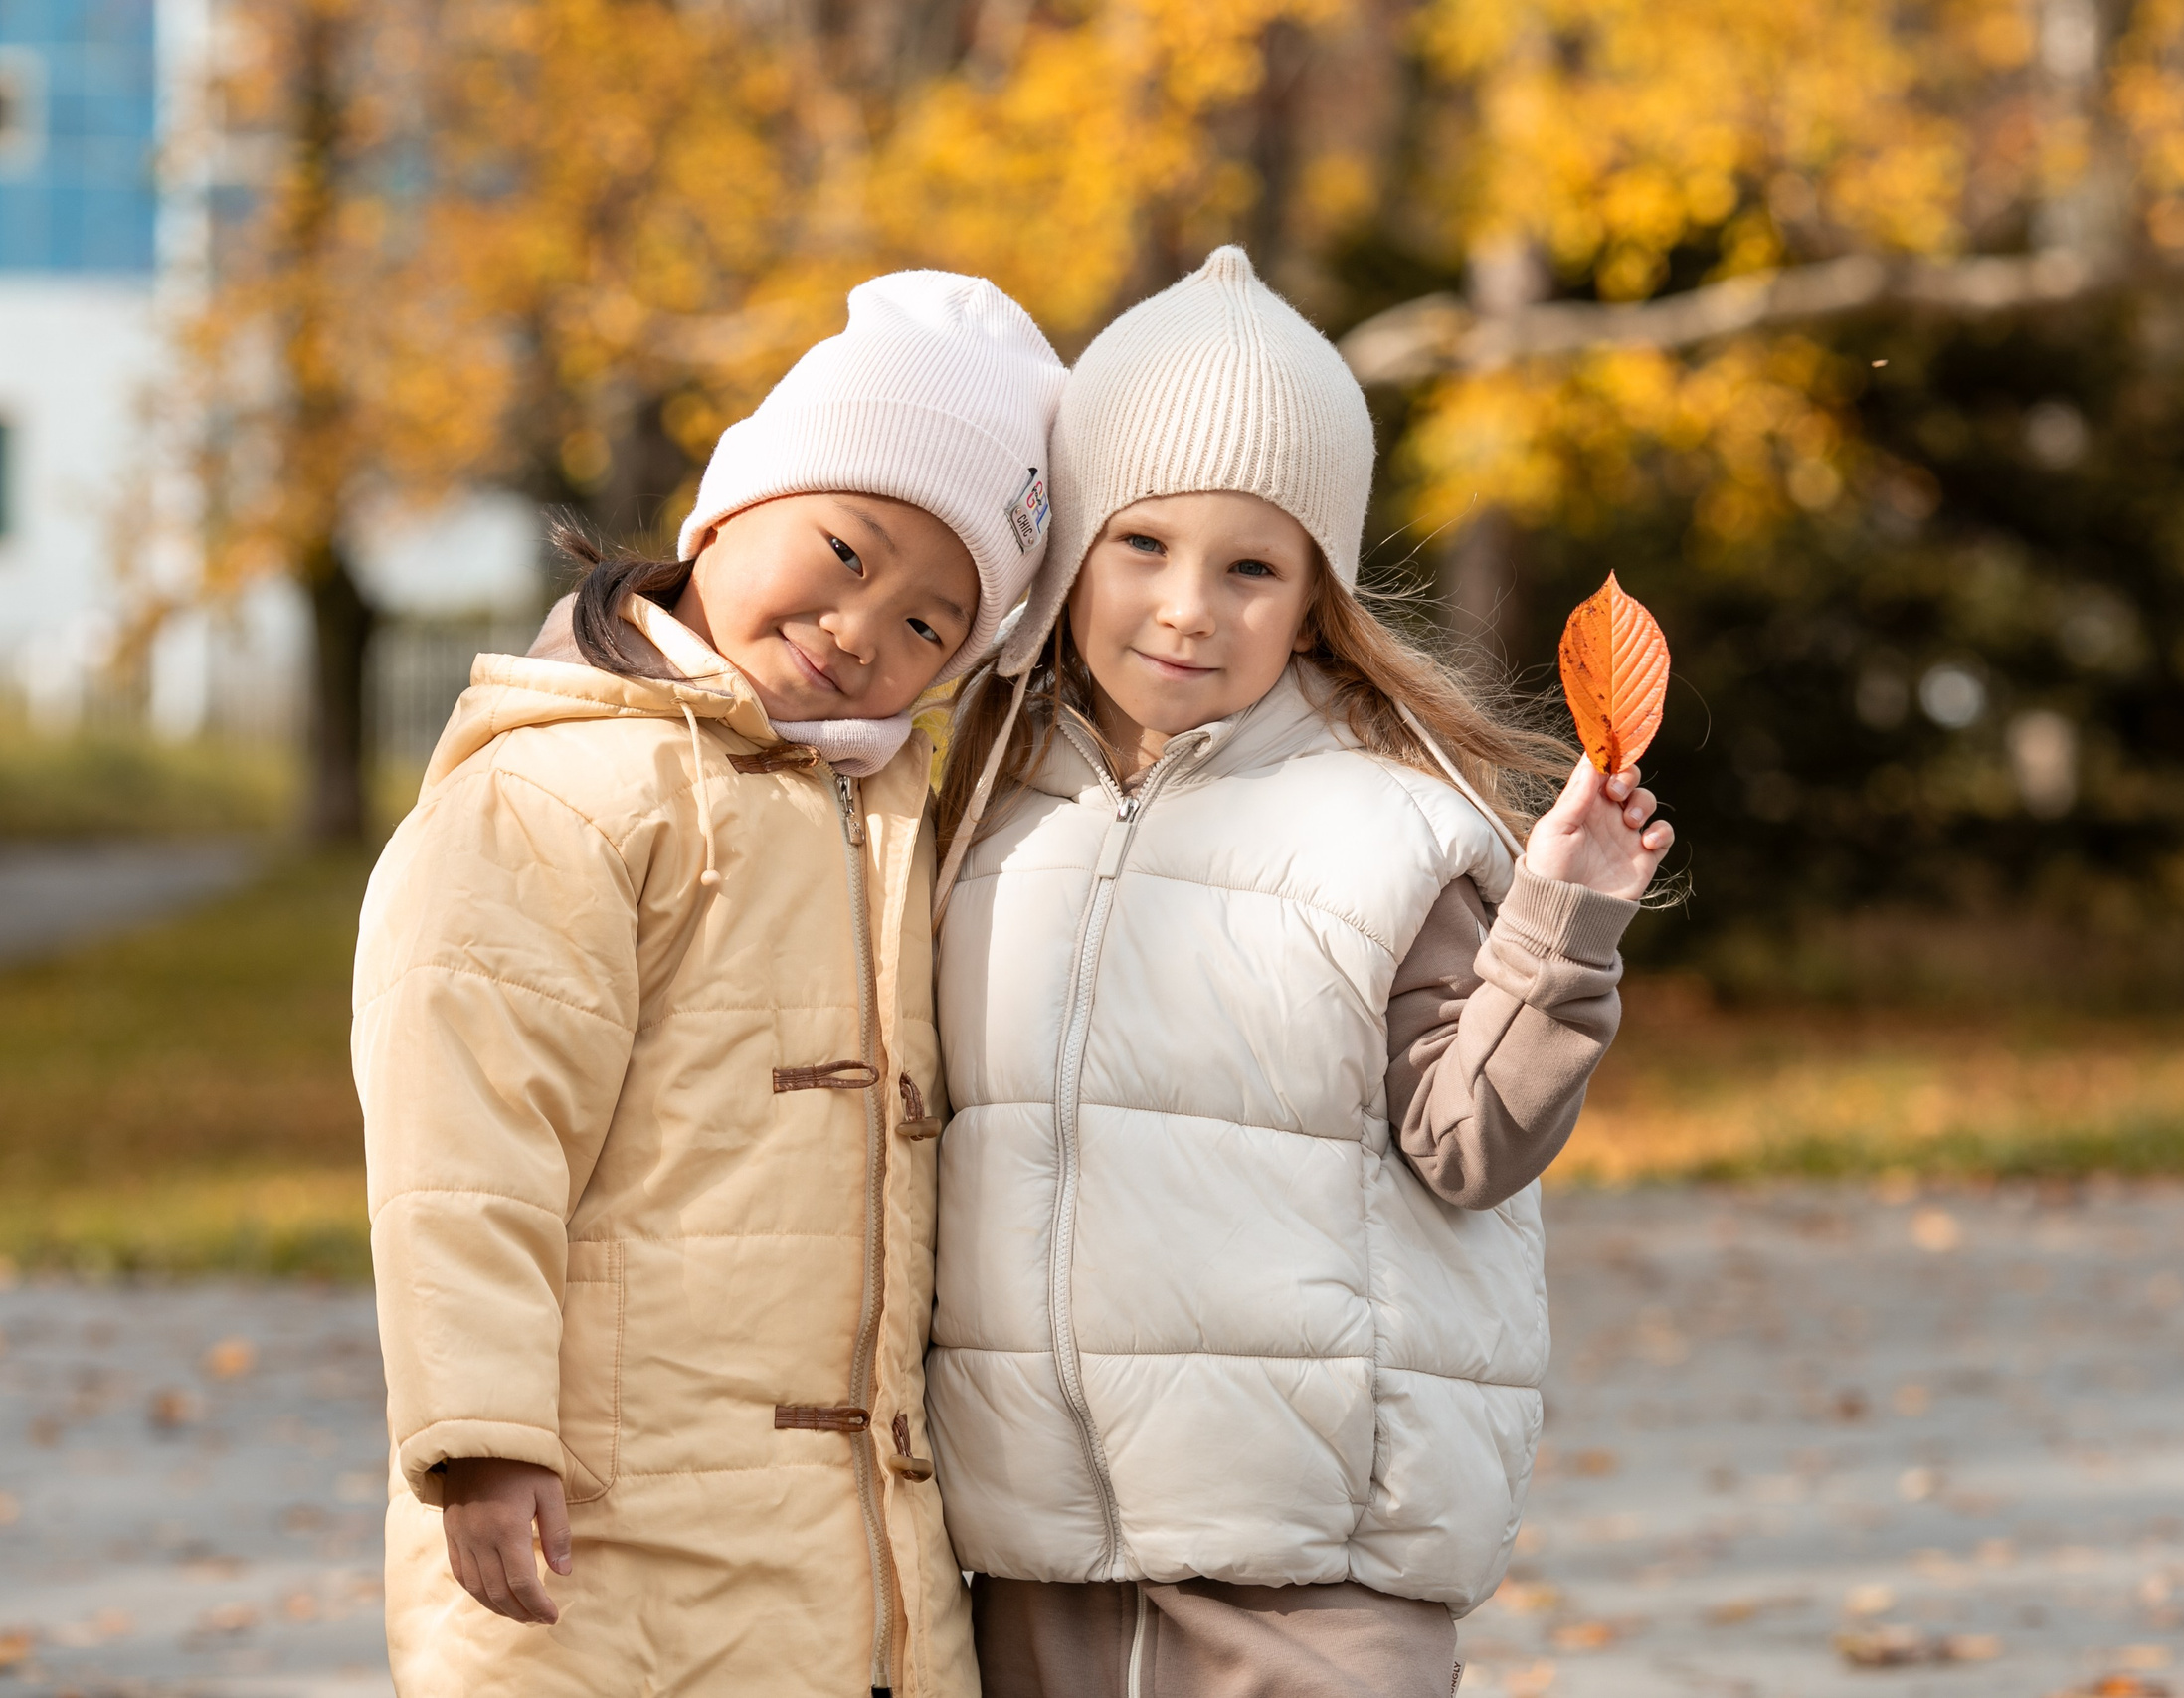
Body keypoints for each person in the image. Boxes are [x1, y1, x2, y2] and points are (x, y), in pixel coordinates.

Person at [925, 246, 1672, 1697]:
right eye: (1142, 545)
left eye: (1251, 566)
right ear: (1070, 555)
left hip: (1311, 1575)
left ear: (1317, 593)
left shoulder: (1386, 829)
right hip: (1038, 1560)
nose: (1188, 606)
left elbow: (1470, 1140)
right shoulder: (984, 818)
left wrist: (1562, 931)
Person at [353, 270, 1063, 1694]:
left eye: (931, 627)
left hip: (838, 1563)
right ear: (729, 507)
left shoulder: (886, 815)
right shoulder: (563, 792)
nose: (860, 630)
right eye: (847, 551)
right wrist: (481, 1434)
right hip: (589, 1531)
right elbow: (466, 1135)